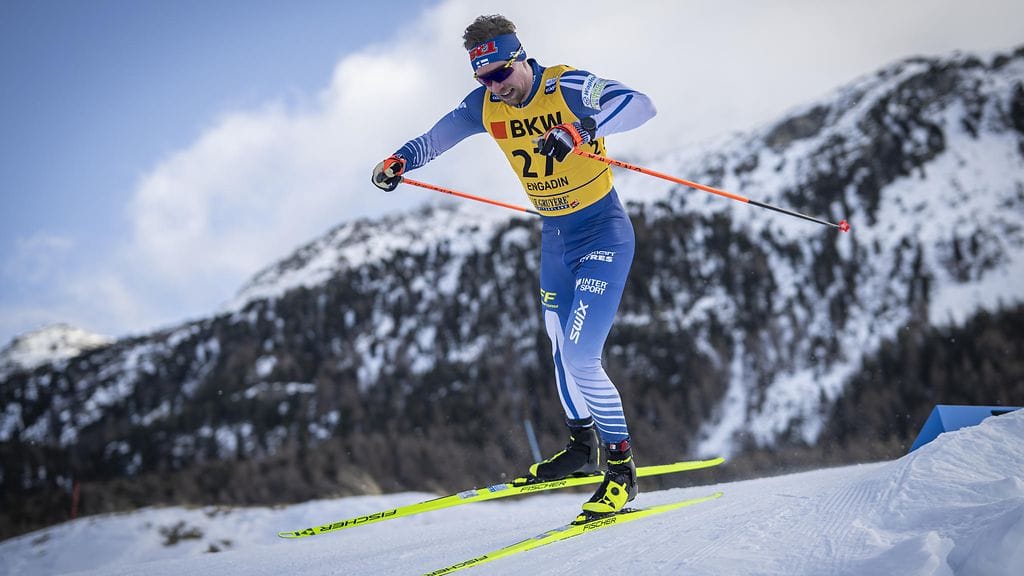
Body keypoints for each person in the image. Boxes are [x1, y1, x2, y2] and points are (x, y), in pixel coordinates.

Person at [372, 14, 656, 520]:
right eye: (484, 78)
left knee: (581, 356)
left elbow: (638, 104)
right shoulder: (484, 104)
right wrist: (399, 161)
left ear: (521, 57)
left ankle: (621, 471)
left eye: (502, 73)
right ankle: (579, 447)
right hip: (555, 239)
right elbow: (435, 139)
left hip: (602, 233)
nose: (496, 87)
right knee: (555, 340)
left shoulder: (563, 84)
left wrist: (579, 127)